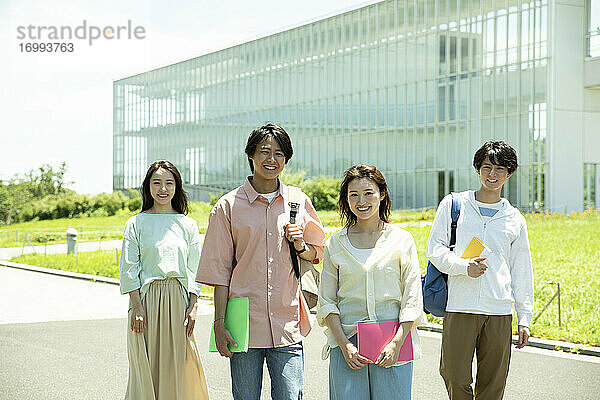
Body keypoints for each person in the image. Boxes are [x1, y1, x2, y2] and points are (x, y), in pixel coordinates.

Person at [196, 123, 326, 400]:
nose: (271, 159)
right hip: (243, 324)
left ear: (286, 159)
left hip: (287, 321)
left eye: (279, 153)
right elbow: (219, 273)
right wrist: (220, 323)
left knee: (291, 396)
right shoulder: (227, 206)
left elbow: (318, 253)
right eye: (264, 151)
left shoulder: (298, 201)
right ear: (251, 155)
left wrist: (300, 243)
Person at [426, 141, 534, 400]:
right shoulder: (455, 205)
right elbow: (435, 249)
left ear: (509, 174)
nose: (493, 174)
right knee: (453, 374)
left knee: (494, 383)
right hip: (460, 305)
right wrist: (463, 267)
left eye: (500, 169)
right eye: (487, 167)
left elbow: (522, 269)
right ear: (477, 169)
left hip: (498, 310)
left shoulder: (514, 219)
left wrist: (524, 317)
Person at [317, 164, 427, 400]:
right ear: (346, 199)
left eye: (369, 193)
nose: (361, 201)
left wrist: (397, 342)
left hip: (393, 341)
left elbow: (412, 297)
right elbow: (326, 302)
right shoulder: (335, 244)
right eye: (353, 195)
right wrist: (344, 344)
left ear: (382, 194)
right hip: (347, 343)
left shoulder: (401, 240)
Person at [119, 160, 209, 400]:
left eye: (169, 183)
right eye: (156, 182)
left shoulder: (186, 224)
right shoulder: (135, 223)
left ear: (176, 187)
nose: (163, 188)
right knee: (145, 365)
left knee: (179, 365)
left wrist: (194, 305)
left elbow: (194, 268)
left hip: (178, 302)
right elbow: (129, 268)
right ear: (148, 186)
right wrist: (136, 307)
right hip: (145, 302)